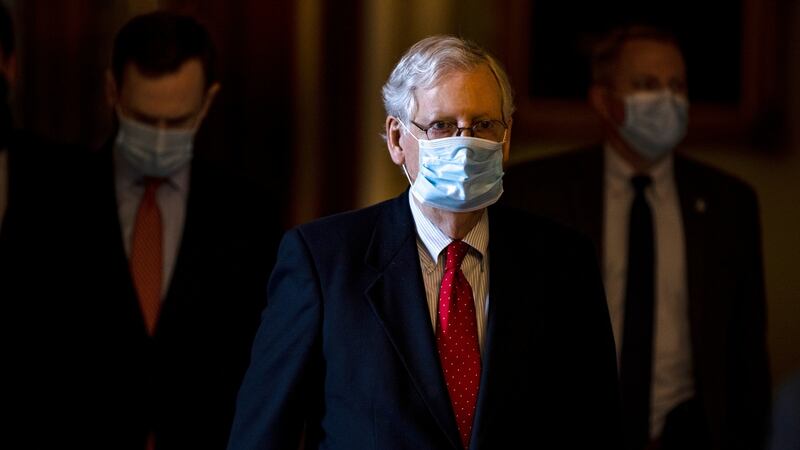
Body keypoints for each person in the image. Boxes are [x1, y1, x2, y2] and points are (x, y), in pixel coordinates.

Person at [227, 35, 621, 450]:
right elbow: (263, 436)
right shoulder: (323, 261)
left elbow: (597, 429)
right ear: (397, 139)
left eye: (484, 124)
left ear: (505, 139)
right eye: (442, 126)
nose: (465, 144)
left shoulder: (564, 262)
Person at [13, 11, 281, 449]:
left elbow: (260, 369)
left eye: (176, 122)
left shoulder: (248, 217)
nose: (158, 138)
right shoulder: (47, 206)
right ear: (112, 91)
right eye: (142, 118)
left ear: (207, 101)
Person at [502, 25, 771, 450]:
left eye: (676, 85)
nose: (667, 99)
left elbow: (747, 358)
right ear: (603, 101)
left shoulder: (729, 204)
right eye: (647, 85)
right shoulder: (537, 194)